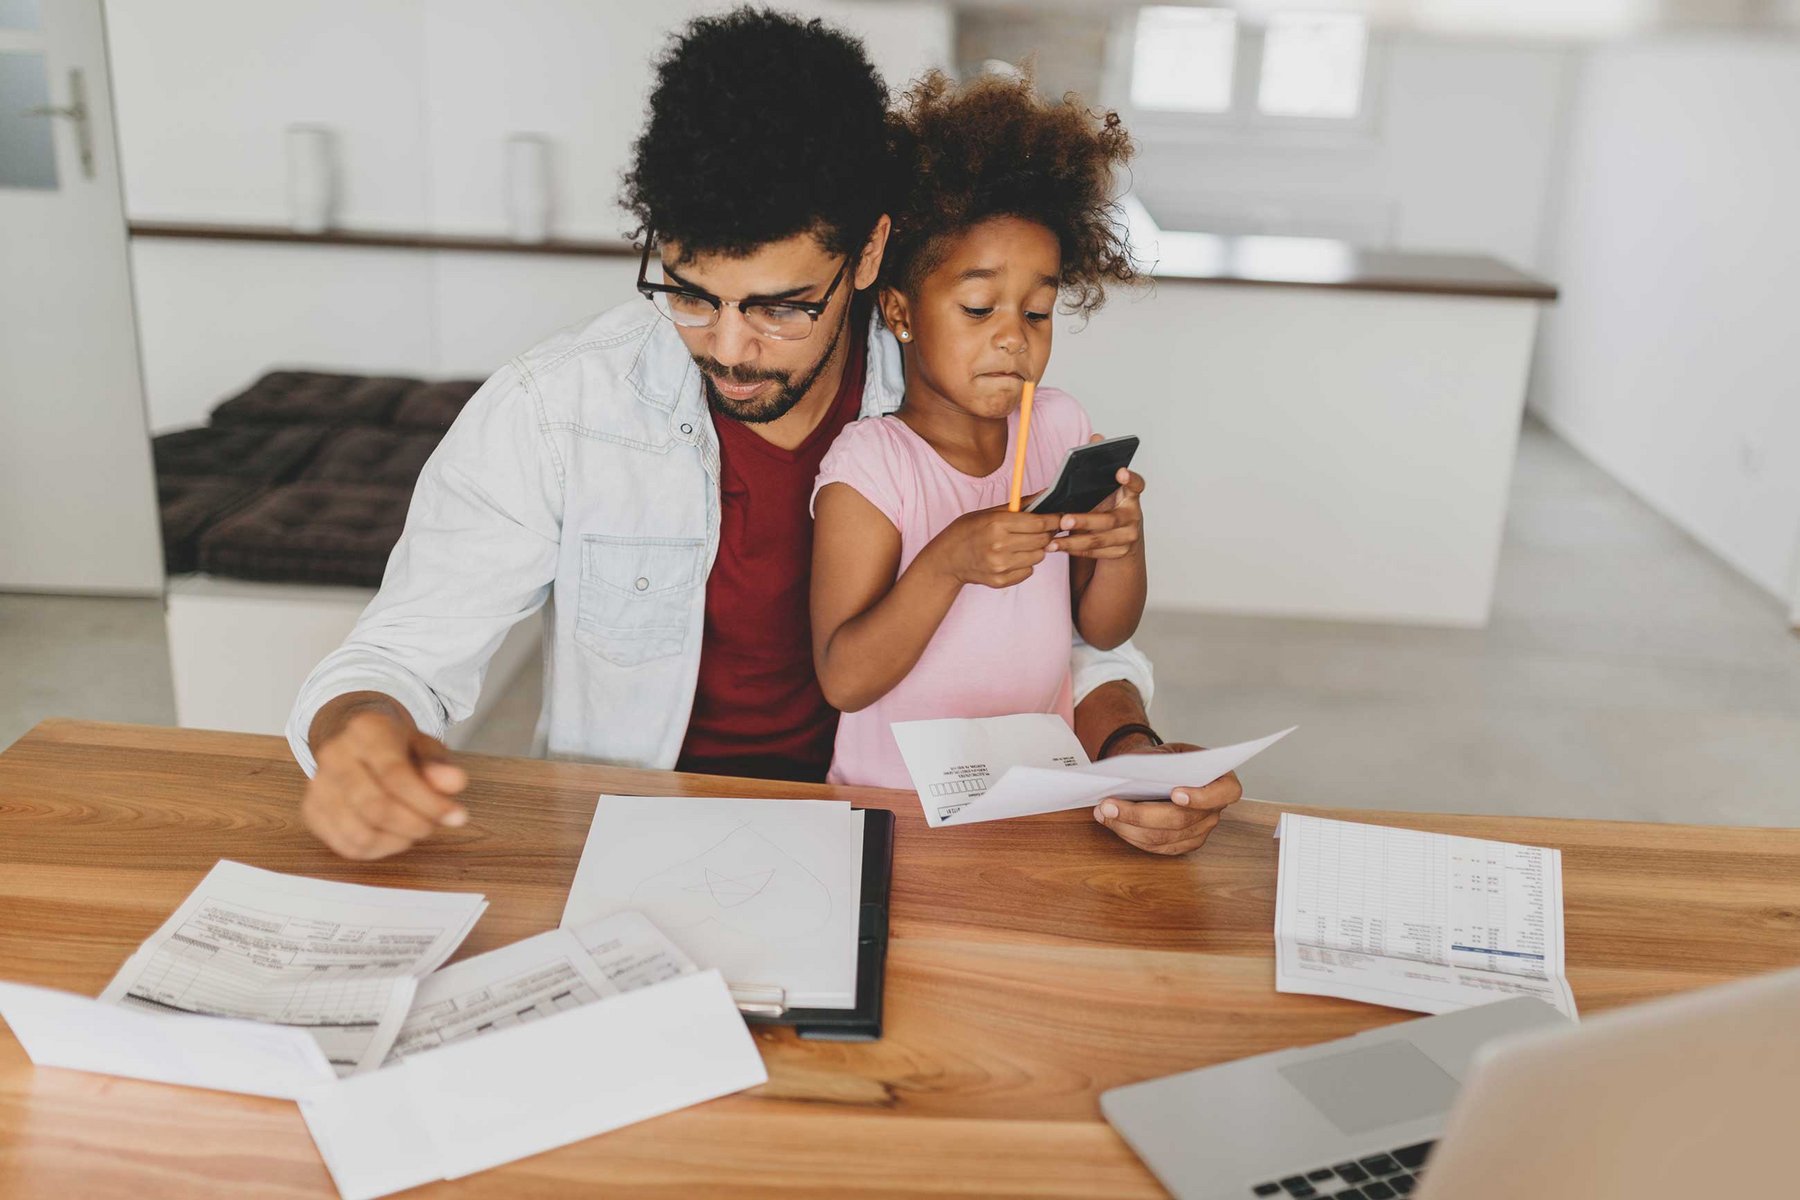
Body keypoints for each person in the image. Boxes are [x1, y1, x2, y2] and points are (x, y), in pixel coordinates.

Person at [288, 7, 1239, 862]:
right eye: (691, 293)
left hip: (904, 832)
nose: (731, 347)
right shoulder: (560, 408)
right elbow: (399, 655)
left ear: (869, 255)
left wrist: (1129, 753)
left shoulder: (965, 392)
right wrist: (358, 735)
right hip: (640, 830)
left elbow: (1060, 634)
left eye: (781, 307)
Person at [812, 70, 1145, 789]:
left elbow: (1105, 631)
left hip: (1032, 783)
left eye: (1035, 312)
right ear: (900, 313)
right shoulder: (871, 465)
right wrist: (947, 560)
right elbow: (844, 679)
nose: (1013, 339)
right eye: (977, 308)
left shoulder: (1059, 426)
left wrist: (1122, 542)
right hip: (895, 800)